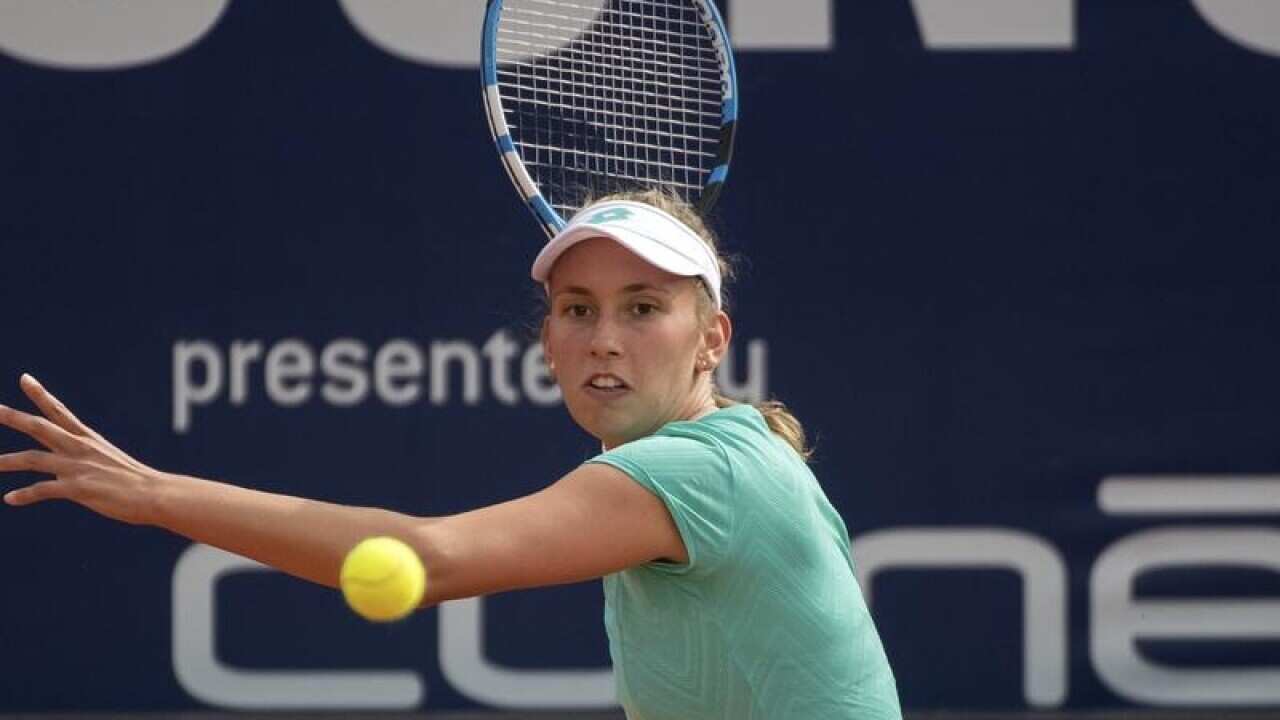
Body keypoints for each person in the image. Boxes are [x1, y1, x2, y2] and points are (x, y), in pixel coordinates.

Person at [0, 189, 901, 719]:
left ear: (711, 340)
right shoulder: (735, 447)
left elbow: (423, 561)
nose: (604, 339)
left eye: (642, 307)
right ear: (546, 339)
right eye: (578, 309)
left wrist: (158, 494)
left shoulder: (696, 471)